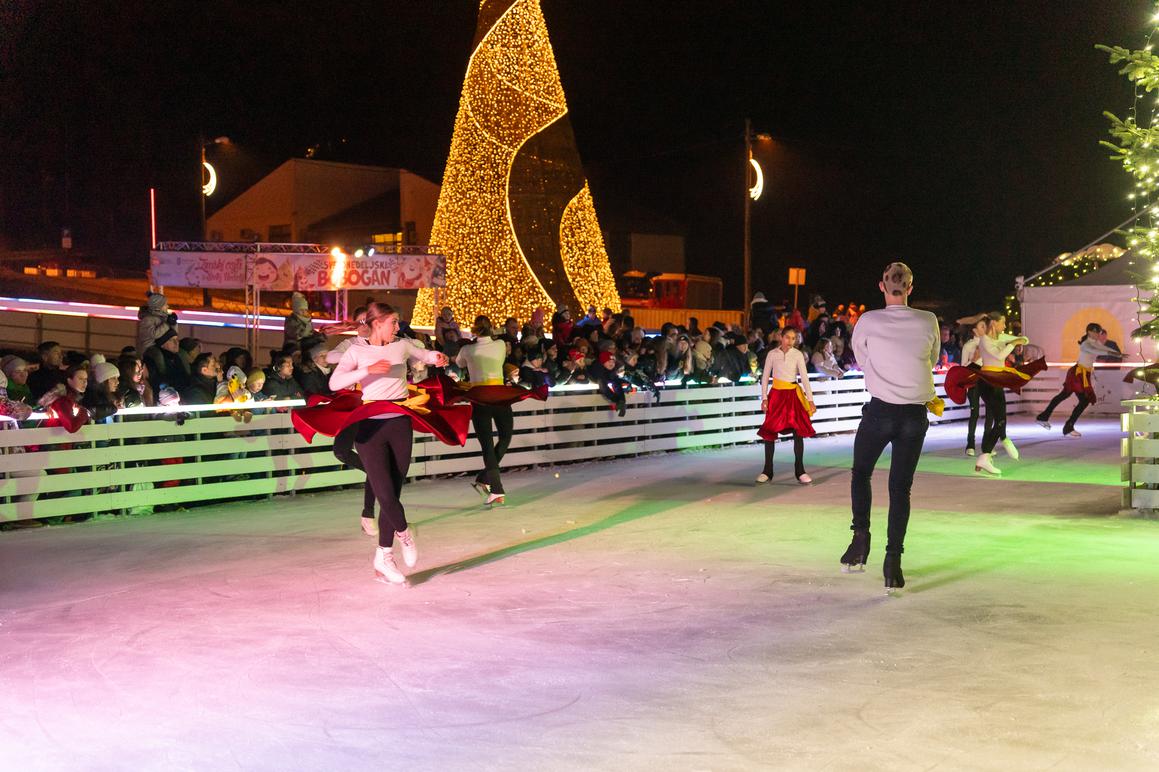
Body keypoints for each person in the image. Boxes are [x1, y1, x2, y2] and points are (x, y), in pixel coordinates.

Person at [326, 302, 452, 584]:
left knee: (393, 491)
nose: (398, 326)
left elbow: (424, 354)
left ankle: (384, 556)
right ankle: (404, 534)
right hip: (369, 425)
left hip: (399, 422)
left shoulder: (402, 345)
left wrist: (437, 357)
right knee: (384, 493)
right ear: (377, 322)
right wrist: (367, 369)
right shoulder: (357, 350)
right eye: (393, 321)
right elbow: (336, 383)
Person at [842, 262, 940, 589]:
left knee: (861, 472)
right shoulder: (928, 320)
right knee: (900, 488)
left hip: (881, 411)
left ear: (881, 286)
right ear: (911, 288)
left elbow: (860, 358)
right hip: (914, 415)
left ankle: (860, 537)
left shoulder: (868, 320)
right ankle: (893, 561)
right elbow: (934, 358)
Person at [944, 313, 1045, 476]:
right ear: (994, 324)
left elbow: (1023, 339)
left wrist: (1019, 340)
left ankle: (990, 451)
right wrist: (1013, 344)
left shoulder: (1001, 336)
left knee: (1000, 419)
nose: (1005, 326)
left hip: (997, 380)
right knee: (998, 419)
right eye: (1002, 323)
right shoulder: (984, 340)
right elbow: (999, 356)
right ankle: (986, 453)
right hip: (987, 382)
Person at [456, 315, 514, 505]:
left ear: (474, 330)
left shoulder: (467, 349)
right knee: (505, 436)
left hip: (479, 396)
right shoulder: (500, 345)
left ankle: (486, 479)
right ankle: (494, 487)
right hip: (499, 394)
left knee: (487, 443)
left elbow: (459, 363)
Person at [1036, 323, 1121, 437]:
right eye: (1098, 332)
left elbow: (1102, 348)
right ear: (1090, 332)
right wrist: (1112, 352)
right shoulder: (1086, 344)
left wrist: (1117, 353)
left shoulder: (1095, 342)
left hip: (1083, 374)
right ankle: (1065, 425)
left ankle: (1048, 418)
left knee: (1067, 396)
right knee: (1081, 399)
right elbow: (1099, 351)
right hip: (1077, 374)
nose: (1099, 335)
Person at [756, 326, 815, 485]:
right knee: (769, 431)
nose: (790, 341)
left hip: (793, 396)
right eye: (787, 337)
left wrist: (810, 400)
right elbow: (765, 377)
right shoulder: (772, 354)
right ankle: (767, 471)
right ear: (781, 337)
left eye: (793, 338)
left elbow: (804, 377)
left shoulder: (797, 355)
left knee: (798, 432)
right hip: (776, 395)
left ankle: (800, 471)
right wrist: (764, 398)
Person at [957, 314, 991, 456]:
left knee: (991, 412)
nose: (985, 328)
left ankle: (987, 445)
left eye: (985, 326)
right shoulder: (969, 345)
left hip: (988, 379)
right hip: (973, 381)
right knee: (975, 412)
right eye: (981, 326)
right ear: (974, 330)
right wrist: (976, 359)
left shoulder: (989, 343)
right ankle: (970, 444)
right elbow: (963, 367)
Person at [136, 292, 177, 356]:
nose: (167, 306)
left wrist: (174, 323)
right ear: (158, 305)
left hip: (162, 350)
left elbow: (174, 334)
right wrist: (167, 324)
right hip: (149, 352)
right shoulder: (147, 319)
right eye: (165, 304)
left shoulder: (163, 317)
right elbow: (153, 334)